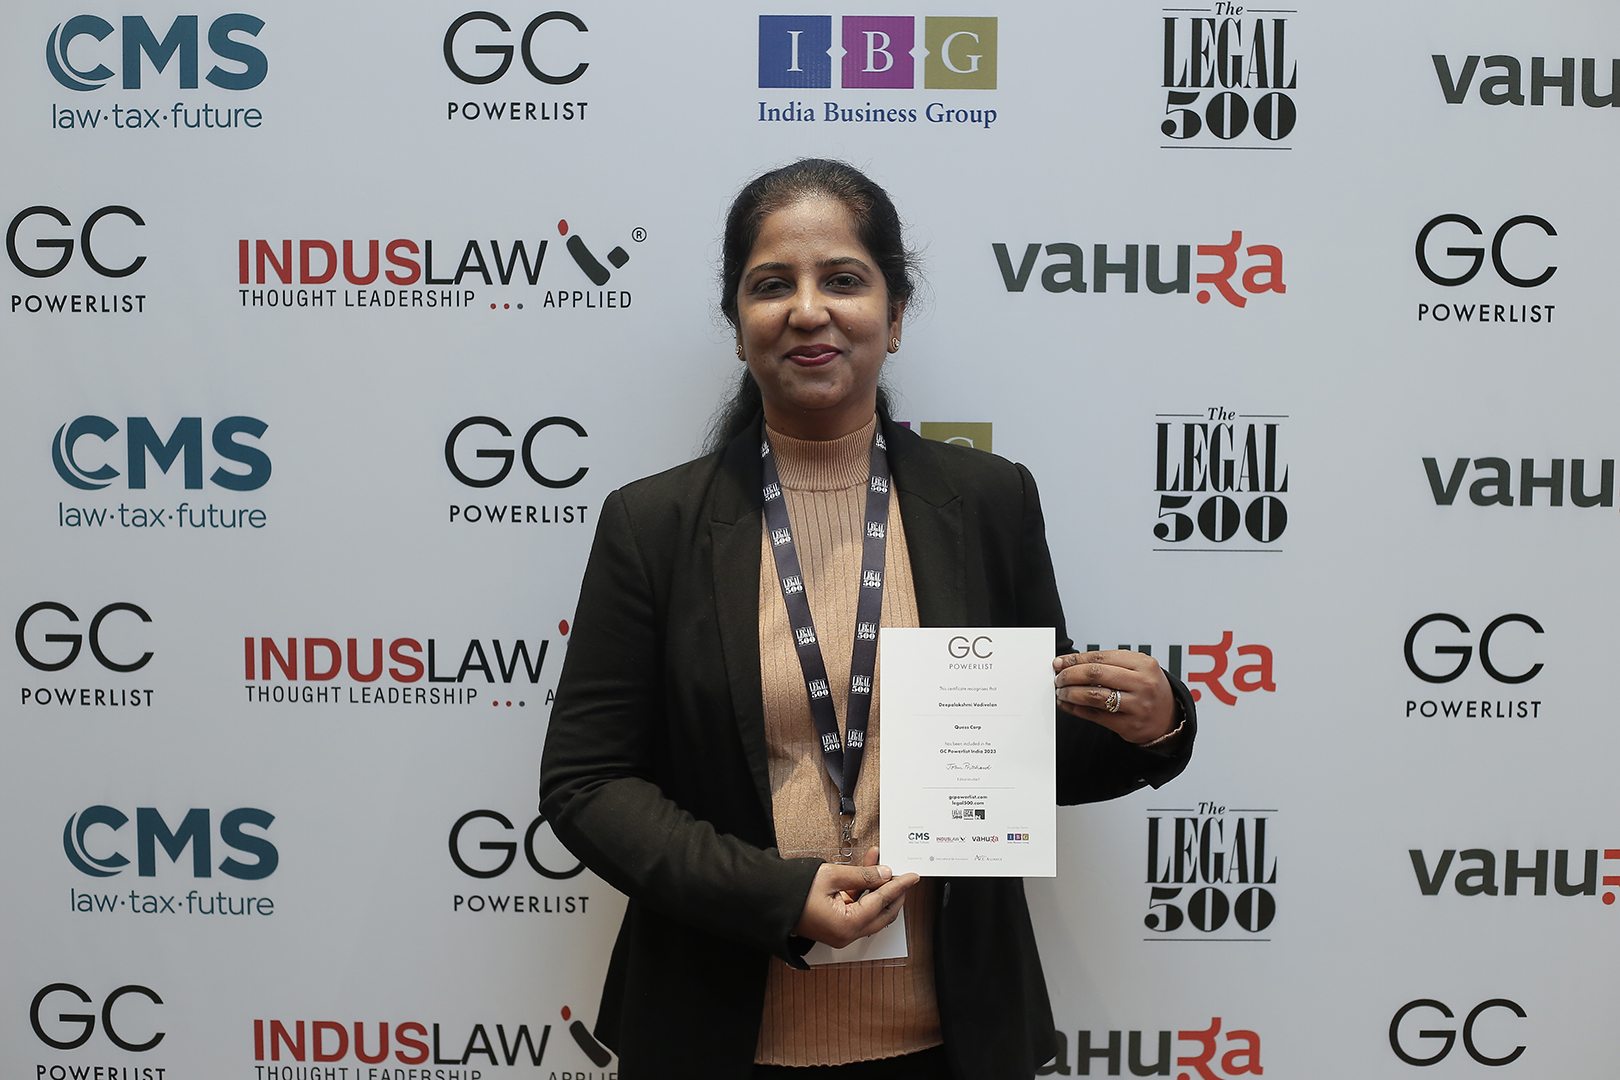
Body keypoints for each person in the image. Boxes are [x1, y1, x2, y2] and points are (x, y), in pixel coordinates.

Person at [539, 159, 1195, 1080]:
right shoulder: (654, 525)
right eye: (773, 285)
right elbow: (588, 784)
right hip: (716, 1035)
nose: (808, 310)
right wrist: (779, 896)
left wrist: (1154, 724)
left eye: (843, 279)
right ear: (737, 323)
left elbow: (1027, 754)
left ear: (894, 316)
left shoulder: (987, 501)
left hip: (954, 1039)